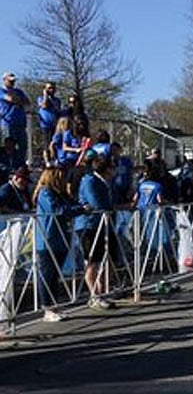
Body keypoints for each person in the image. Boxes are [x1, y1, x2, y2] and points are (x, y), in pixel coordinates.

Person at [33, 167, 86, 321]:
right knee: (47, 274)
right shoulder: (46, 192)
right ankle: (47, 308)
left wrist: (80, 207)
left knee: (55, 274)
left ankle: (54, 306)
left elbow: (72, 204)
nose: (64, 180)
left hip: (61, 237)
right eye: (61, 177)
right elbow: (58, 210)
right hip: (48, 238)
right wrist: (80, 209)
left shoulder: (61, 194)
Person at [75, 150, 117, 310]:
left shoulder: (105, 182)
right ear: (106, 169)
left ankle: (102, 292)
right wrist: (111, 209)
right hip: (89, 225)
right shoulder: (89, 180)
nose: (114, 171)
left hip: (104, 224)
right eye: (112, 168)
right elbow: (95, 203)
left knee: (106, 259)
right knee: (92, 260)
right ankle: (94, 295)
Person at [0, 72, 29, 166]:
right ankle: (9, 166)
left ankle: (21, 165)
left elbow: (27, 102)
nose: (12, 83)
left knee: (23, 146)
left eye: (13, 81)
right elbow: (10, 99)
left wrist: (18, 100)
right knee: (10, 146)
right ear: (4, 80)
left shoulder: (19, 91)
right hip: (8, 122)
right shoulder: (1, 91)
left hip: (20, 122)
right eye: (10, 81)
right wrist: (18, 100)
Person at [37, 83, 62, 160]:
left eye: (53, 88)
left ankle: (55, 159)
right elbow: (44, 105)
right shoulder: (40, 98)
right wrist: (45, 95)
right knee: (46, 145)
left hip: (55, 126)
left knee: (54, 143)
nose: (51, 90)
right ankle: (47, 161)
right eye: (49, 88)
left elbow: (57, 109)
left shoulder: (57, 100)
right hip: (45, 126)